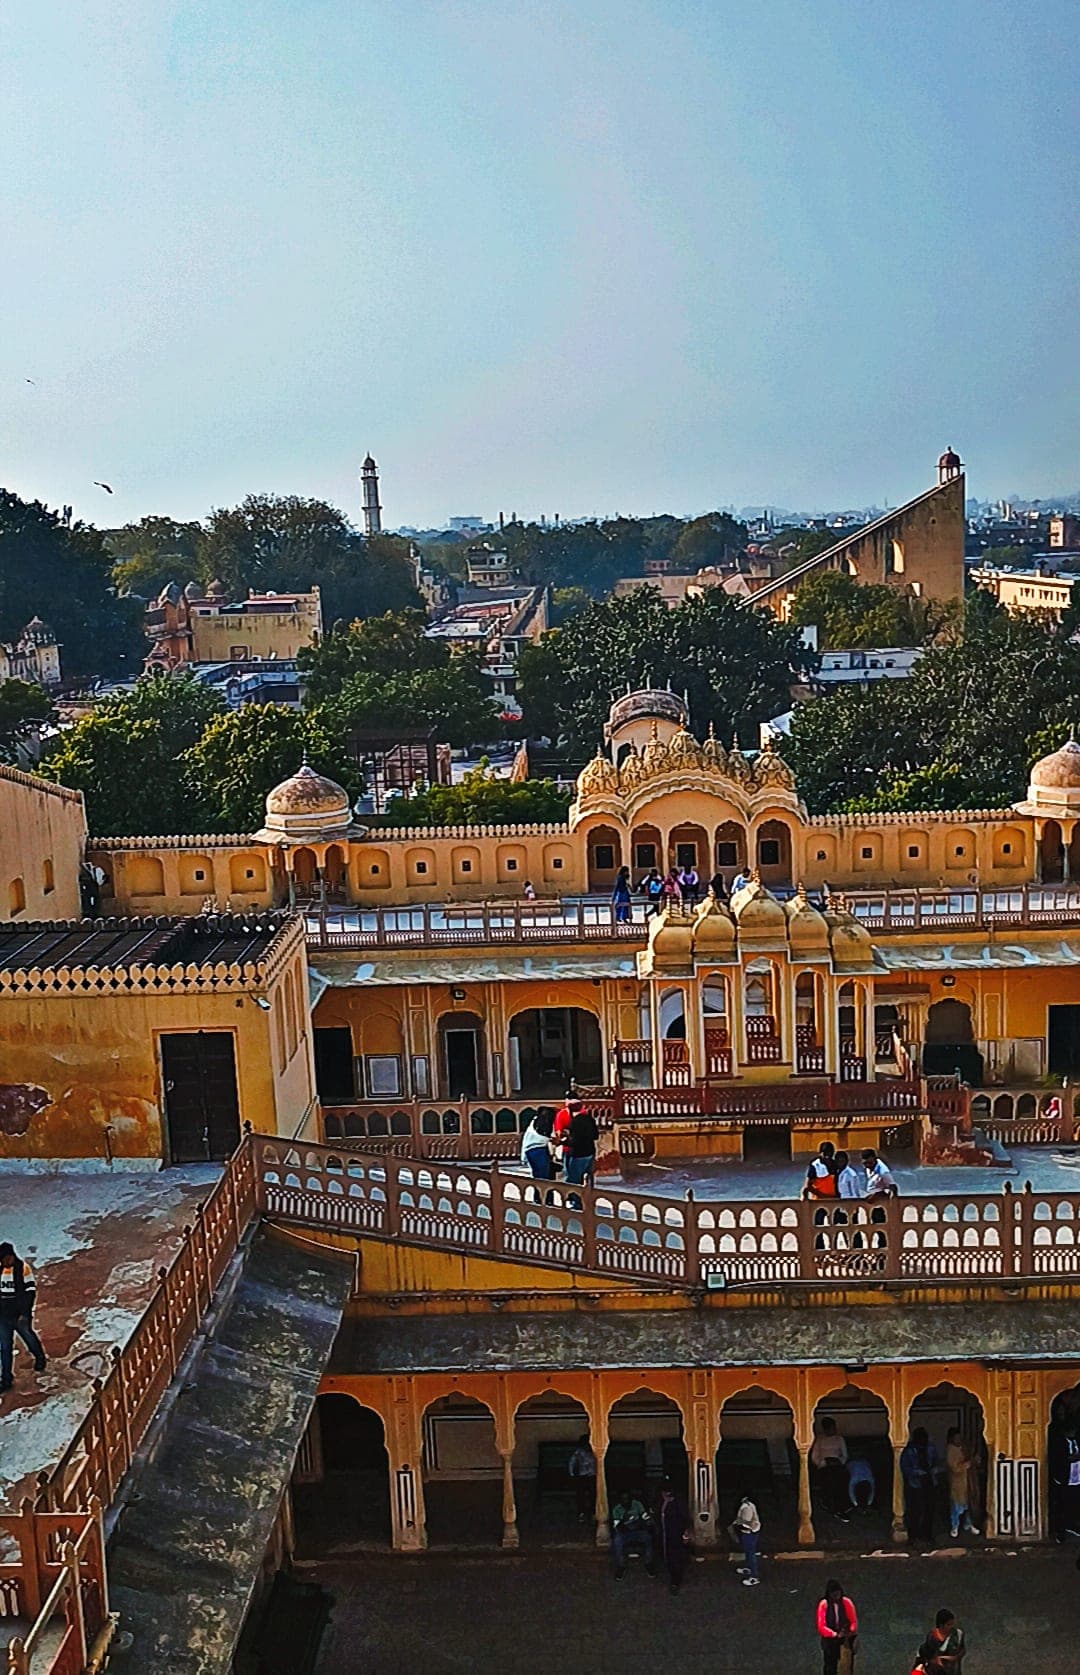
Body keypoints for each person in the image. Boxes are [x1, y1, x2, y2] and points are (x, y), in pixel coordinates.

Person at [0, 1242, 46, 1393]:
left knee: (28, 1337)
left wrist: (25, 1313)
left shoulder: (23, 1268)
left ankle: (39, 1357)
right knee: (5, 1347)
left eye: (9, 1258)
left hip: (19, 1313)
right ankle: (6, 1378)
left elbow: (30, 1291)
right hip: (3, 1315)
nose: (7, 1261)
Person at [900, 1425, 939, 1544]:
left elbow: (936, 1461)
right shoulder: (910, 1450)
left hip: (929, 1481)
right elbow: (905, 1467)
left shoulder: (930, 1448)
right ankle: (913, 1535)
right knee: (914, 1510)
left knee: (929, 1509)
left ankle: (927, 1534)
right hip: (914, 1483)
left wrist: (934, 1470)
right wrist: (917, 1472)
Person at [611, 1489, 656, 1579]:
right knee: (617, 1541)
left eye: (628, 1499)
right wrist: (624, 1520)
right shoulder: (617, 1509)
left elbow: (645, 1518)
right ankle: (621, 1566)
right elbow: (617, 1528)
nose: (626, 1501)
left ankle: (649, 1563)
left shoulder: (637, 1504)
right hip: (624, 1533)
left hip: (638, 1531)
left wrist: (646, 1523)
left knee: (648, 1538)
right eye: (623, 1499)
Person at [816, 1579, 858, 1675]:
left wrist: (849, 1632)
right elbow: (821, 1626)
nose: (836, 1595)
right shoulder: (824, 1604)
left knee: (847, 1666)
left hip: (846, 1639)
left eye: (838, 1592)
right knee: (830, 1667)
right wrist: (834, 1634)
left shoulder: (846, 1602)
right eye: (834, 1593)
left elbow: (853, 1621)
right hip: (830, 1641)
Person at [657, 1478, 692, 1593]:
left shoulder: (678, 1502)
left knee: (676, 1557)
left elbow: (684, 1518)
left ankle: (676, 1580)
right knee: (668, 1557)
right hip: (664, 1535)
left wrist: (685, 1533)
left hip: (676, 1534)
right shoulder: (661, 1502)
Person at [811, 1416, 849, 1520]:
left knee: (840, 1478)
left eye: (834, 1428)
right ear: (825, 1429)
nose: (833, 1430)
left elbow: (845, 1455)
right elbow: (814, 1457)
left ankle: (841, 1507)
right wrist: (824, 1462)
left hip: (837, 1465)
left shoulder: (839, 1439)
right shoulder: (820, 1440)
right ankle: (830, 1504)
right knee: (830, 1479)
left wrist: (838, 1461)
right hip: (824, 1467)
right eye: (830, 1428)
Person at [945, 1428, 980, 1538]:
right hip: (957, 1483)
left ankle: (969, 1524)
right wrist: (968, 1463)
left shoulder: (963, 1448)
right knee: (956, 1507)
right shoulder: (951, 1450)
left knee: (969, 1505)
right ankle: (954, 1527)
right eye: (956, 1437)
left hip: (968, 1482)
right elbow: (955, 1467)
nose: (958, 1439)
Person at [915, 1608, 966, 1673]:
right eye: (948, 1624)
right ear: (941, 1625)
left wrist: (954, 1657)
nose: (951, 1627)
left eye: (952, 1624)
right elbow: (928, 1656)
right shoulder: (932, 1637)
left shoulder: (957, 1634)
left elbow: (962, 1650)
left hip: (952, 1669)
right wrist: (938, 1660)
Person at [564, 1102, 599, 1190]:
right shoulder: (590, 1119)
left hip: (578, 1153)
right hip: (590, 1151)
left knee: (574, 1179)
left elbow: (575, 1141)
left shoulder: (574, 1122)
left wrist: (563, 1142)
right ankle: (589, 1198)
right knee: (588, 1178)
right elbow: (595, 1136)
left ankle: (576, 1201)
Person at [730, 1491, 761, 1586]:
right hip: (749, 1532)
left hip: (750, 1532)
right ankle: (748, 1568)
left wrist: (736, 1526)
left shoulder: (747, 1508)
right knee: (747, 1552)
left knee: (751, 1553)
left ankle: (754, 1577)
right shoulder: (747, 1505)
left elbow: (746, 1523)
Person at [520, 1110, 556, 1190]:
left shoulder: (534, 1121)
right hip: (538, 1151)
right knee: (543, 1178)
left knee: (537, 1177)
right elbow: (548, 1137)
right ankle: (544, 1198)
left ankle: (539, 1198)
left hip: (530, 1150)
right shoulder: (543, 1123)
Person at [568, 1434, 596, 1522]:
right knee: (581, 1495)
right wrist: (572, 1474)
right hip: (582, 1476)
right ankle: (582, 1513)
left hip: (593, 1476)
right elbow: (572, 1462)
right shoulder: (579, 1452)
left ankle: (593, 1512)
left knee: (593, 1495)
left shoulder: (596, 1451)